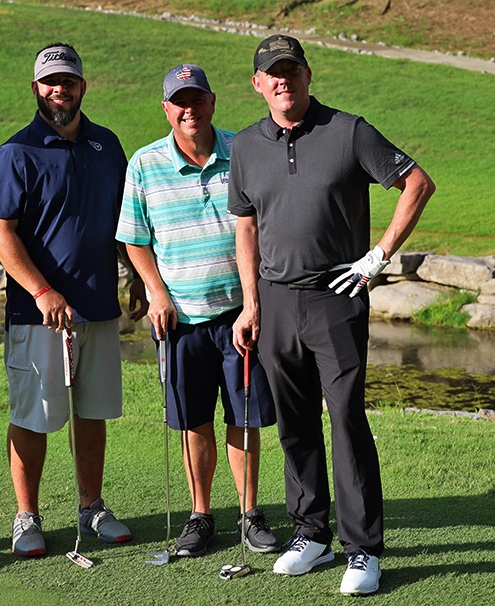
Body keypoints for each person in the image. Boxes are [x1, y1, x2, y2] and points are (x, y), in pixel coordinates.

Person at [229, 34, 435, 595]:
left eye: (291, 70)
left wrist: (379, 254)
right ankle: (311, 533)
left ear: (307, 75)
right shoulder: (246, 147)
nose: (282, 80)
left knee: (345, 418)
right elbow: (246, 225)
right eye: (272, 73)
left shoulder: (348, 131)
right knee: (294, 422)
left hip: (336, 297)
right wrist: (250, 303)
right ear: (257, 84)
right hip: (273, 300)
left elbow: (417, 182)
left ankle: (362, 548)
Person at [0, 42, 146, 558]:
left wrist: (139, 276)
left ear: (83, 85)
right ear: (35, 89)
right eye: (50, 82)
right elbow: (1, 234)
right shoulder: (15, 153)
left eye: (69, 81)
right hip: (37, 315)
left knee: (92, 411)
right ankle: (26, 517)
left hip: (97, 305)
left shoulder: (108, 145)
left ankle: (91, 506)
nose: (60, 90)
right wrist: (42, 289)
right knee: (35, 414)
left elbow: (125, 223)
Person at [116, 64, 278, 558]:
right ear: (166, 109)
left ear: (212, 102)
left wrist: (255, 302)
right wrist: (156, 292)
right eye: (179, 101)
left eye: (197, 99)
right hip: (181, 318)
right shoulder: (145, 163)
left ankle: (249, 515)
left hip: (239, 313)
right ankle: (201, 515)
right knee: (193, 420)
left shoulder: (245, 150)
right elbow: (134, 240)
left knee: (244, 417)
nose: (189, 109)